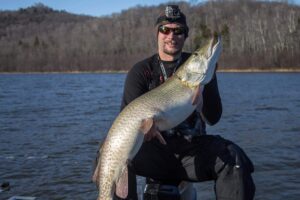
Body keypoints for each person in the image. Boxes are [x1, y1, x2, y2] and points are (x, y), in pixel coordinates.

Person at [97, 5, 255, 200]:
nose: (171, 35)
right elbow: (127, 120)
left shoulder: (201, 73)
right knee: (107, 156)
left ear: (185, 36)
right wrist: (145, 127)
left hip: (192, 153)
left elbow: (213, 118)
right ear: (157, 33)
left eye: (178, 31)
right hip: (153, 153)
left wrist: (209, 80)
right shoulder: (140, 71)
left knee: (233, 157)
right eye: (165, 29)